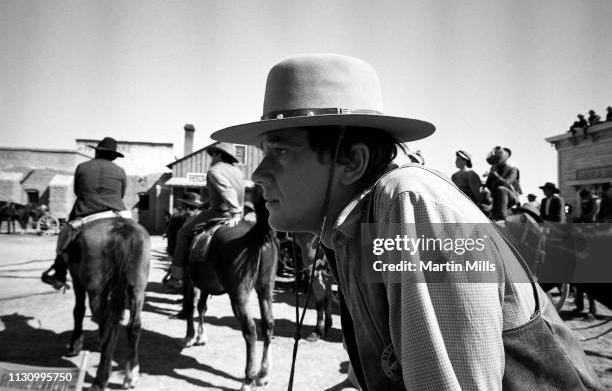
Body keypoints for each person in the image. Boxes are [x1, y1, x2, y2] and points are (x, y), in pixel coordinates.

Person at [210, 54, 600, 390]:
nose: (258, 174)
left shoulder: (409, 204)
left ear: (352, 161)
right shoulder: (348, 232)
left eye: (279, 150)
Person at [169, 141, 245, 315]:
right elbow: (221, 193)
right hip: (228, 210)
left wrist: (235, 212)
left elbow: (227, 191)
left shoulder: (214, 170)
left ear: (219, 155)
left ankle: (177, 275)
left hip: (221, 214)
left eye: (213, 155)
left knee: (183, 232)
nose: (211, 158)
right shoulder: (238, 172)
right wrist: (203, 204)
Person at [42, 137, 127, 290]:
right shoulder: (120, 171)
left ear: (97, 152)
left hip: (86, 213)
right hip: (115, 213)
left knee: (64, 236)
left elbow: (77, 191)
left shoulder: (82, 167)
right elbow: (121, 195)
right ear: (114, 156)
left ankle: (59, 274)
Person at [484, 146, 522, 221]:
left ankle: (501, 218)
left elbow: (507, 183)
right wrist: (489, 177)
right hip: (496, 198)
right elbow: (488, 186)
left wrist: (496, 176)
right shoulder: (494, 169)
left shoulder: (513, 169)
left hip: (511, 197)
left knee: (501, 189)